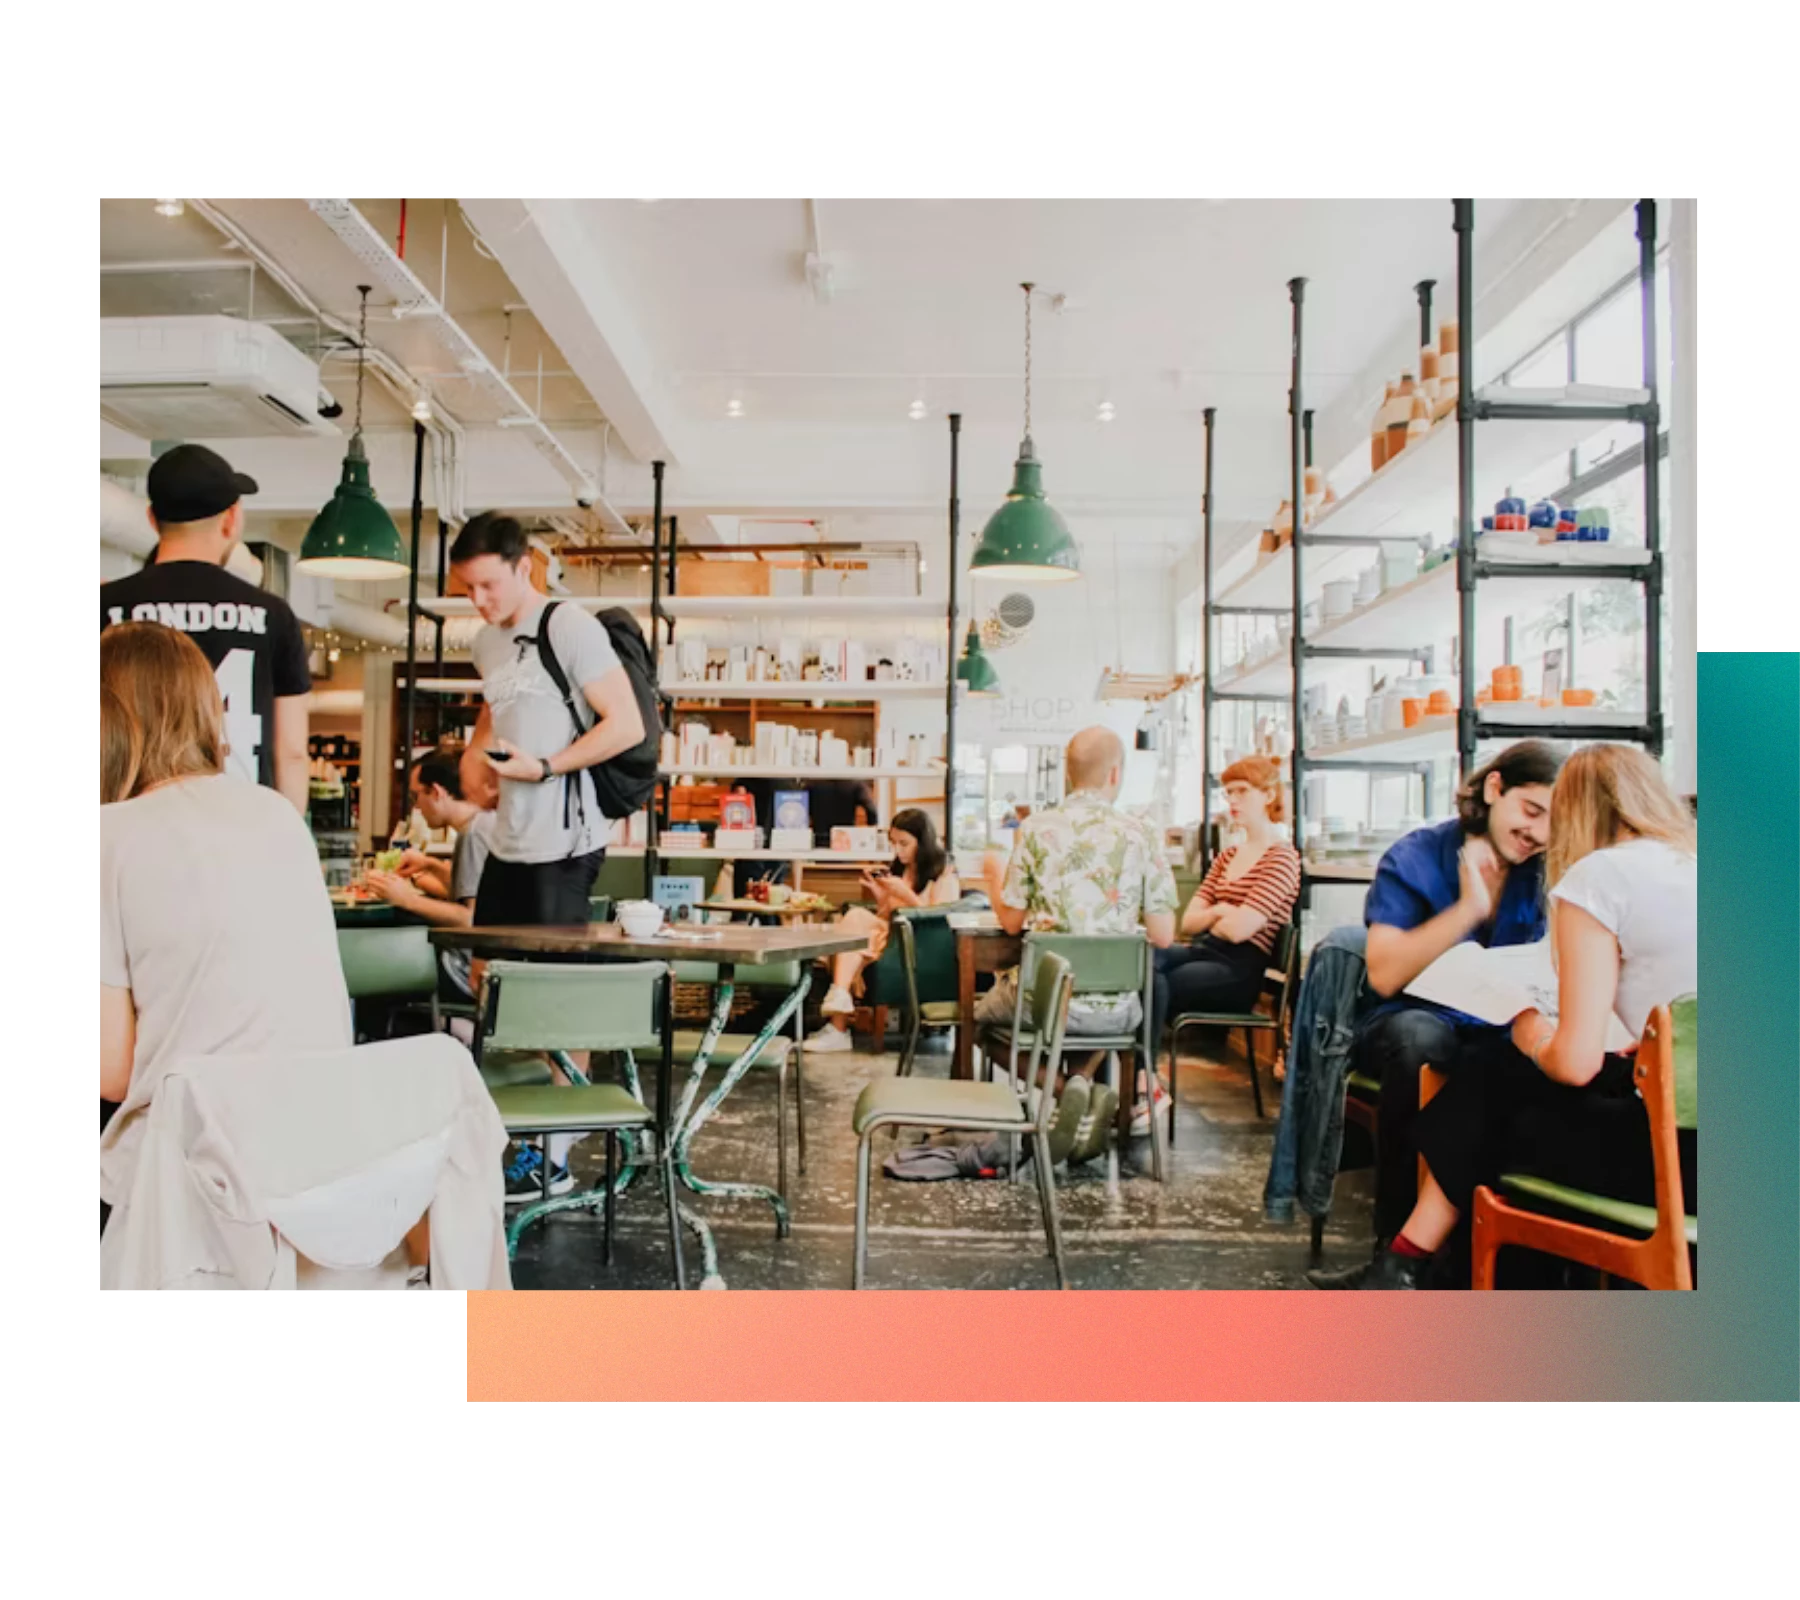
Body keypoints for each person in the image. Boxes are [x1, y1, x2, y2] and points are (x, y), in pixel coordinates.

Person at [1332, 744, 1697, 1289]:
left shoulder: (1599, 878)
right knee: (1493, 1078)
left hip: (1672, 1163)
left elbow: (1573, 1064)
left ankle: (1409, 1265)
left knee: (1498, 1092)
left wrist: (1532, 1033)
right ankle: (1408, 1264)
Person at [96, 623, 353, 1242]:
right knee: (598, 1347)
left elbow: (111, 1070)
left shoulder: (109, 835)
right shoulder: (276, 815)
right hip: (321, 1166)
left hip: (189, 1178)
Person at [1309, 739, 1565, 1274]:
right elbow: (1384, 971)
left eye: (1552, 822)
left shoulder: (1548, 867)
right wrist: (1470, 908)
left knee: (1540, 1059)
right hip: (1410, 1020)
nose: (1537, 833)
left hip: (1507, 1027)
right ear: (1495, 789)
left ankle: (1507, 1255)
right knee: (1424, 1042)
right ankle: (1396, 1253)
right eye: (1531, 810)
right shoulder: (1417, 855)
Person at [450, 512, 646, 1201]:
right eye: (468, 589)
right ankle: (505, 1135)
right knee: (491, 990)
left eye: (489, 586)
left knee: (557, 1004)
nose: (479, 602)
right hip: (508, 840)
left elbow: (626, 725)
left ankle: (555, 1157)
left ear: (524, 566)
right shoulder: (485, 644)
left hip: (566, 843)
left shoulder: (569, 626)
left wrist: (547, 766)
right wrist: (481, 760)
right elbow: (497, 710)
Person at [977, 726, 1178, 1164]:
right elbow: (1163, 935)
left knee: (977, 1020)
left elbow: (1011, 923)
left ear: (1068, 775)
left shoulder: (1034, 829)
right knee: (1098, 1001)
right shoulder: (1142, 833)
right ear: (1115, 774)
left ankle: (1066, 1088)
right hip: (1119, 1009)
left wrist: (994, 878)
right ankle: (1084, 1089)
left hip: (1047, 1004)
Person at [96, 444, 311, 814]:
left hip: (131, 823)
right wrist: (288, 838)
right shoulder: (271, 615)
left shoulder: (106, 606)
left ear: (151, 518)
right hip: (240, 825)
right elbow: (291, 752)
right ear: (230, 519)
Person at [1151, 756, 1301, 1133]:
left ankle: (1139, 1082)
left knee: (1158, 983)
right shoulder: (1227, 856)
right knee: (1143, 959)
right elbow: (1189, 920)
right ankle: (1137, 1079)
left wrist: (1217, 913)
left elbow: (1240, 932)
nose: (1232, 800)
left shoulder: (1282, 859)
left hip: (1239, 970)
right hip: (1202, 951)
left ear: (1268, 795)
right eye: (1228, 792)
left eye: (1241, 791)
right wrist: (1223, 910)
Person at [805, 809, 962, 1054]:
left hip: (919, 943)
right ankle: (838, 1009)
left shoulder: (944, 871)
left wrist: (904, 893)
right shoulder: (902, 869)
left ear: (924, 841)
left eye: (904, 844)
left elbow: (939, 918)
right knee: (854, 927)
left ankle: (838, 1022)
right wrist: (879, 892)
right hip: (892, 934)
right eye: (894, 843)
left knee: (853, 931)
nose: (898, 851)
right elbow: (889, 912)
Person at [363, 746, 497, 1016]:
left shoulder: (472, 836)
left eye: (417, 796)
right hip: (496, 966)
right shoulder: (487, 823)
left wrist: (407, 899)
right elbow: (486, 894)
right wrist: (431, 866)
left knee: (371, 967)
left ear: (436, 792)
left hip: (466, 970)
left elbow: (472, 919)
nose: (416, 807)